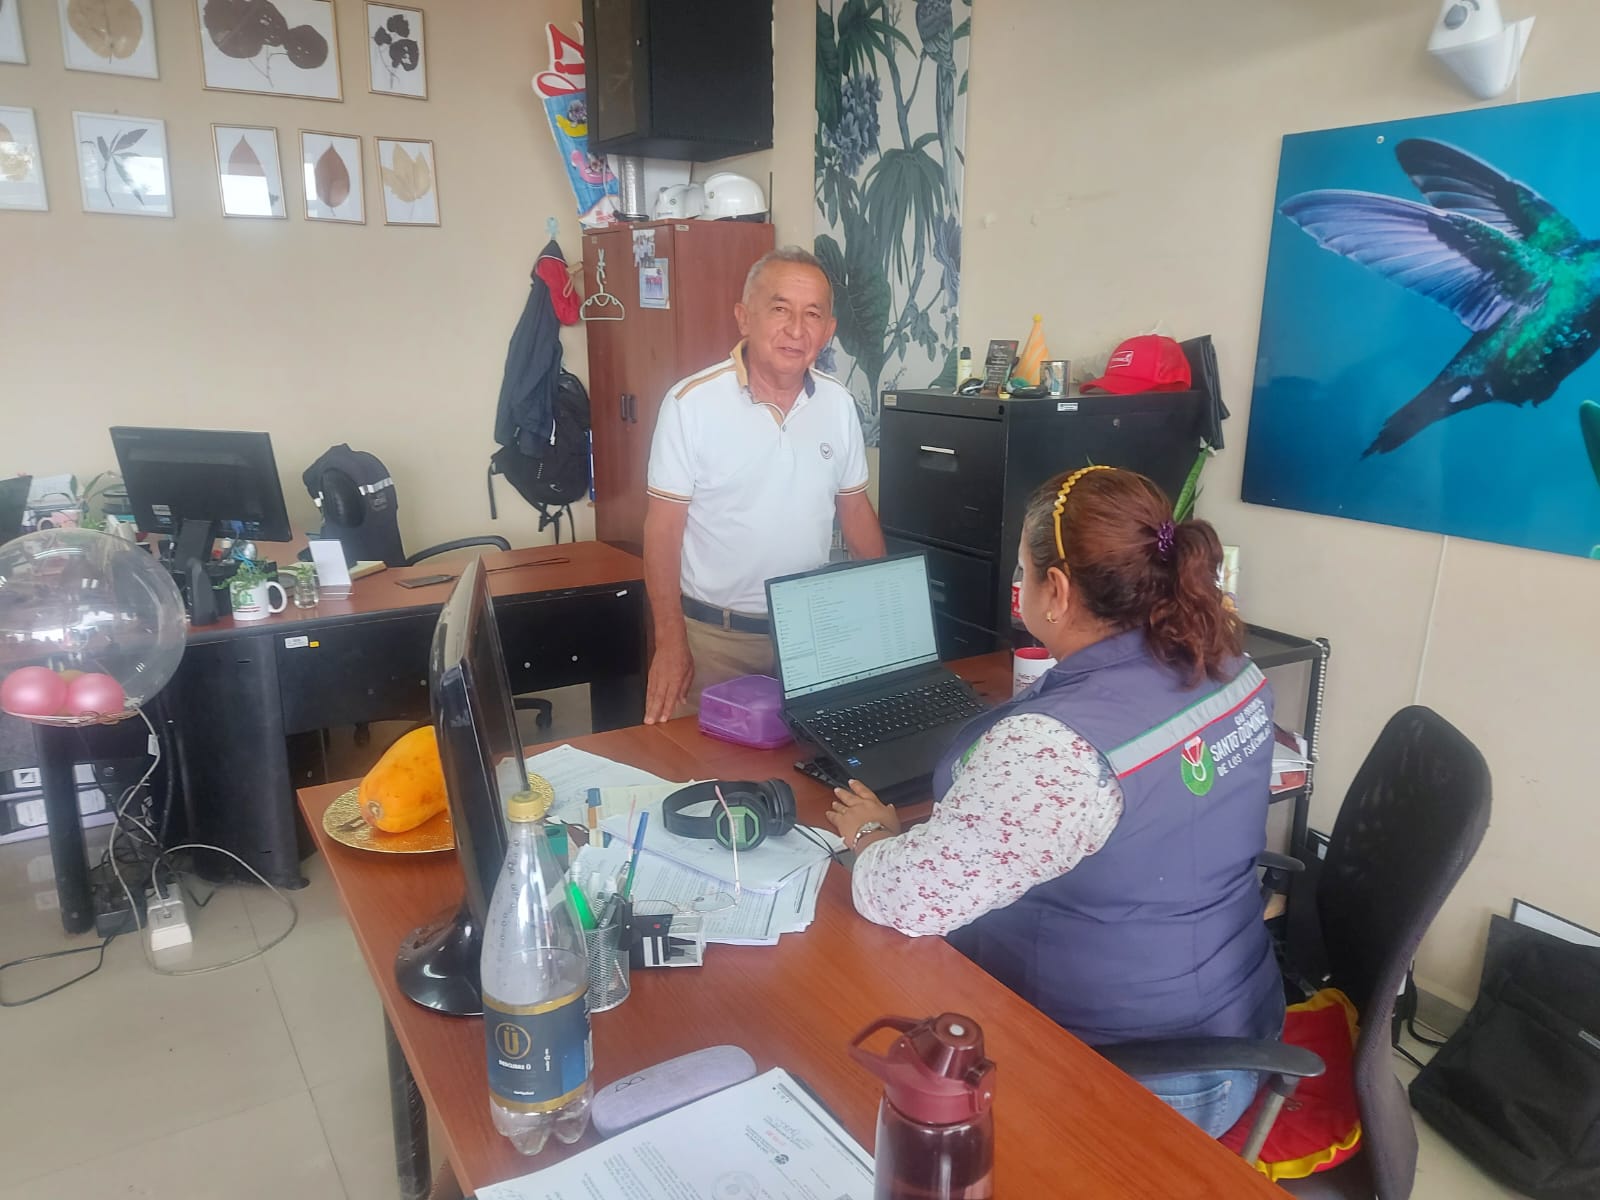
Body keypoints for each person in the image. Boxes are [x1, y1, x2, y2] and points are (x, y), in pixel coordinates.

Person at [826, 466, 1284, 1137]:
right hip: (1242, 1013)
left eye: (1023, 570)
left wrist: (873, 835)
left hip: (1142, 1078)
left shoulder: (1058, 752)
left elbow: (904, 899)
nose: (1020, 583)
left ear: (1059, 592)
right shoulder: (1232, 667)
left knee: (854, 1046)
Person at [642, 247, 886, 723]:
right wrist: (670, 642)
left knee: (813, 759)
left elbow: (856, 512)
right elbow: (662, 531)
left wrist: (884, 615)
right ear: (744, 318)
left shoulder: (838, 405)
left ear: (829, 330)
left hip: (812, 634)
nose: (796, 330)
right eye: (780, 309)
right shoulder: (690, 404)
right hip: (715, 641)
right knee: (705, 765)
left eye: (812, 314)